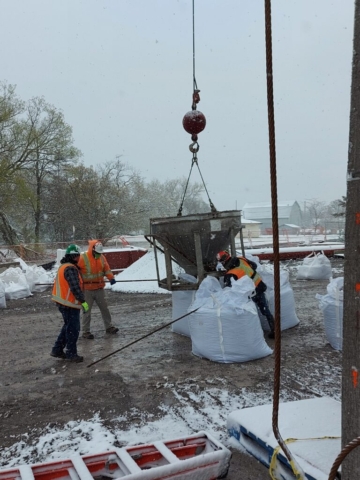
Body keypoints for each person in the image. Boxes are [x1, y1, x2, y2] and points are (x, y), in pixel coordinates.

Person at [216, 250, 275, 339]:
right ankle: (274, 330)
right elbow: (254, 266)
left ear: (223, 262)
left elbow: (230, 290)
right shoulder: (241, 259)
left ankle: (254, 334)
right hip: (259, 286)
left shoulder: (230, 274)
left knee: (251, 313)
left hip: (250, 293)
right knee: (265, 310)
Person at [50, 244, 89, 362]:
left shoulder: (64, 266)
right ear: (75, 256)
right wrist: (83, 301)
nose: (80, 258)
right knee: (73, 329)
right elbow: (75, 287)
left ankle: (57, 349)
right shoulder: (71, 268)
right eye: (78, 256)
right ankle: (71, 353)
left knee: (68, 327)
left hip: (63, 303)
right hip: (69, 304)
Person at [77, 240, 119, 339]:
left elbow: (106, 269)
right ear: (92, 250)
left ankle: (109, 327)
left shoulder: (102, 257)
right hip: (87, 290)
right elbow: (76, 270)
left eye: (100, 253)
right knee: (86, 311)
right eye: (96, 253)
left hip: (99, 288)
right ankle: (86, 331)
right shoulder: (83, 258)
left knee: (105, 309)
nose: (98, 255)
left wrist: (111, 278)